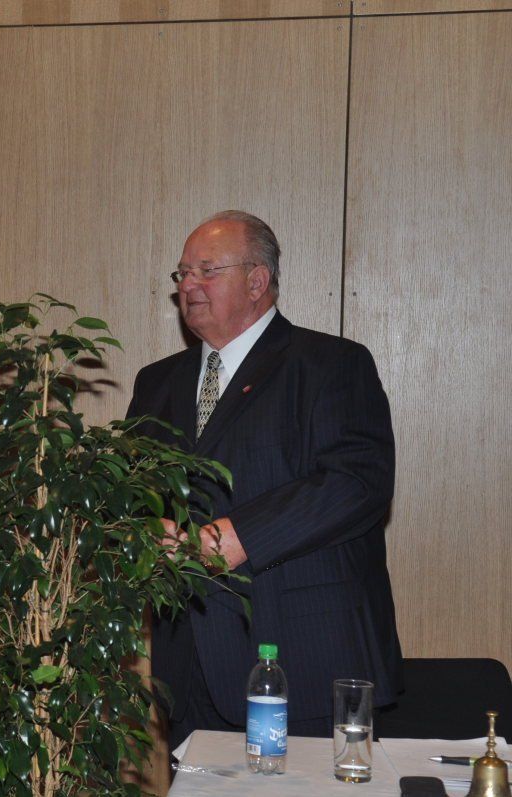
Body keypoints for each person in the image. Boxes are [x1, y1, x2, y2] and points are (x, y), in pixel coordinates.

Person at [125, 210, 402, 749]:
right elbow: (134, 491)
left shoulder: (330, 365)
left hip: (304, 659)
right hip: (189, 668)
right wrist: (144, 529)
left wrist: (236, 536)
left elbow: (356, 483)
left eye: (207, 270)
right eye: (182, 274)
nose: (188, 286)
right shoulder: (156, 382)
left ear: (257, 281)